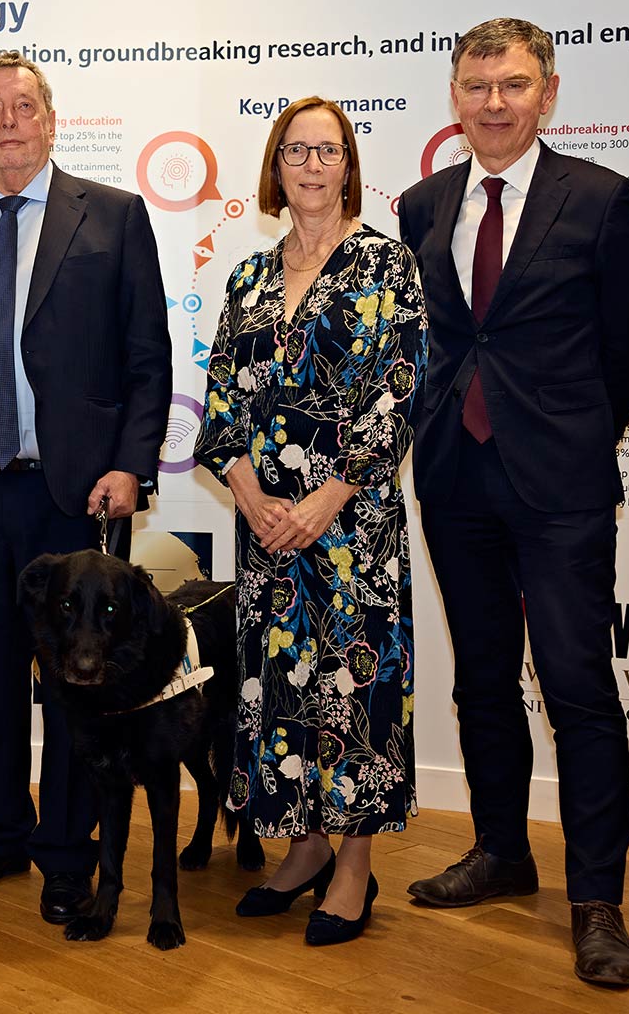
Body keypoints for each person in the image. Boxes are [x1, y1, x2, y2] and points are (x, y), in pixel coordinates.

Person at [397, 17, 629, 987]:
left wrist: (574, 434)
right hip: (455, 479)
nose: (493, 103)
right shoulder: (423, 206)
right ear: (455, 97)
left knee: (579, 690)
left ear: (547, 93)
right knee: (480, 681)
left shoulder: (600, 199)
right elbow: (434, 342)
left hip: (561, 488)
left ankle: (599, 902)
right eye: (476, 86)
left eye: (512, 85)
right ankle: (501, 852)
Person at [0, 52, 170, 925]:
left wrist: (131, 464)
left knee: (78, 682)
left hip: (75, 496)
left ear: (52, 121)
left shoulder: (117, 217)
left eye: (24, 106)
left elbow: (147, 361)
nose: (9, 121)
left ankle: (67, 851)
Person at [194, 97, 428, 945]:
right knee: (281, 691)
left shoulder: (386, 266)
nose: (311, 165)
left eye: (327, 150)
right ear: (276, 166)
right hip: (266, 533)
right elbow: (222, 402)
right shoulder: (249, 279)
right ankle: (304, 848)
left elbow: (399, 398)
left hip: (351, 527)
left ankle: (355, 866)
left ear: (348, 163)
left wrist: (329, 497)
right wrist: (252, 499)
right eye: (295, 150)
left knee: (354, 692)